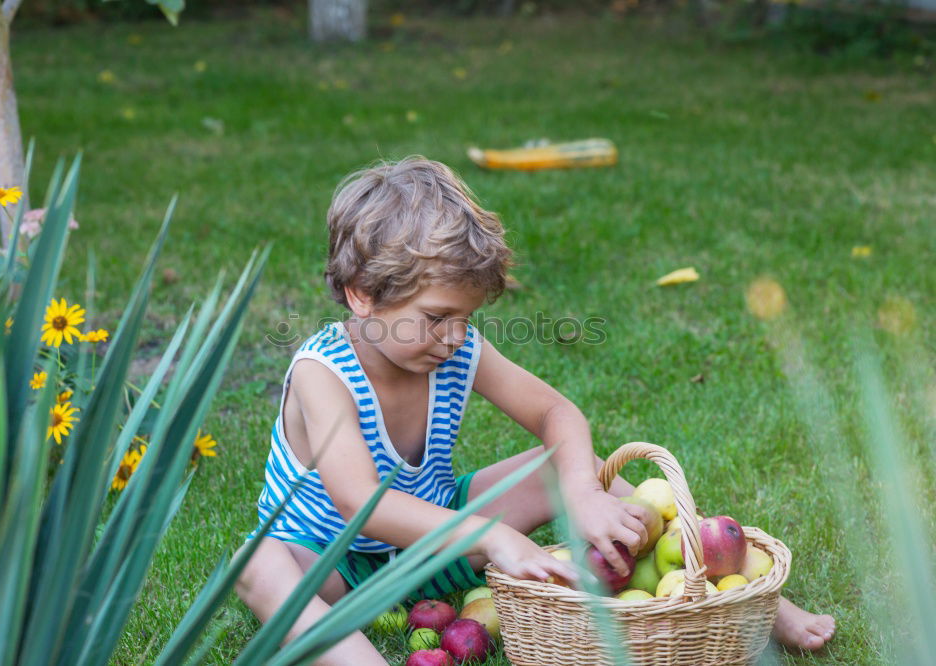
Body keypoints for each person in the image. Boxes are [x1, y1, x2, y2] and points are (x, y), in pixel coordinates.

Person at [234, 156, 835, 664]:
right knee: (256, 562)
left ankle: (735, 592)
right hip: (333, 572)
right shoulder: (323, 374)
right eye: (438, 317)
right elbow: (358, 502)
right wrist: (491, 535)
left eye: (465, 319)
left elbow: (557, 415)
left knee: (575, 466)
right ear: (364, 295)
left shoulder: (456, 348)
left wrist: (578, 490)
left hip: (434, 550)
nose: (452, 338)